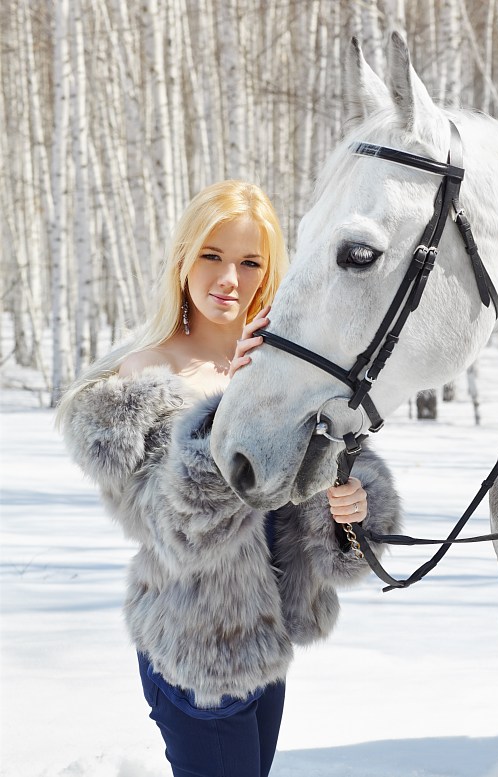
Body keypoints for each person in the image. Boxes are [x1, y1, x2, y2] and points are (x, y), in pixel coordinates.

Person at [56, 180, 401, 777]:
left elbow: (311, 499)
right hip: (196, 653)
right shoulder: (143, 378)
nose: (229, 279)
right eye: (212, 255)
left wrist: (347, 503)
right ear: (184, 259)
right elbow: (178, 528)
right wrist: (232, 406)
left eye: (249, 263)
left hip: (268, 640)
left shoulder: (284, 373)